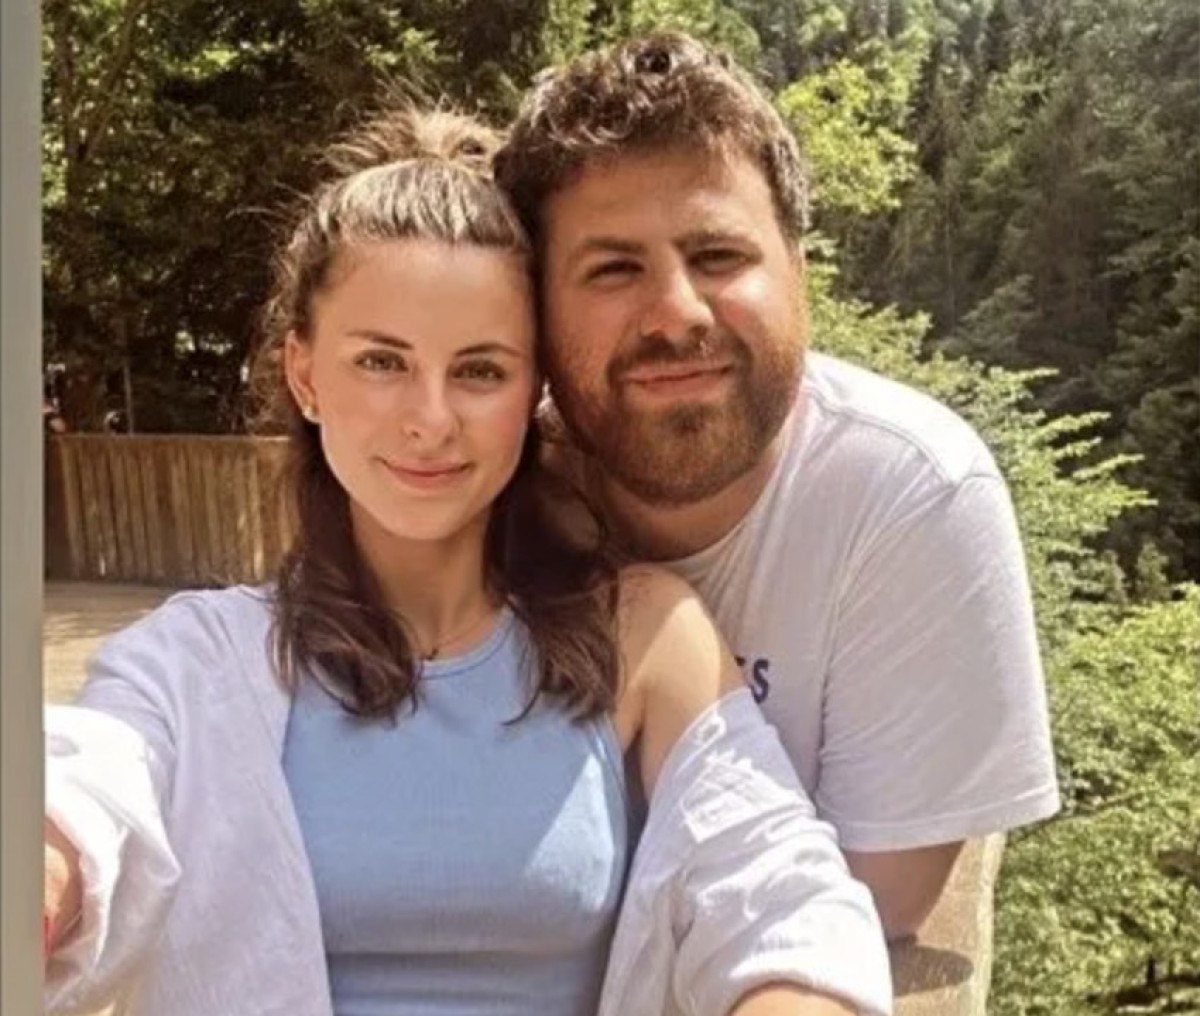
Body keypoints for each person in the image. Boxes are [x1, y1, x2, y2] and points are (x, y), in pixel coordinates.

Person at [42, 106, 892, 1016]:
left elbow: (774, 886)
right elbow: (86, 793)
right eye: (382, 362)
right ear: (305, 374)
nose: (431, 420)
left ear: (534, 391)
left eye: (481, 370)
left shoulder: (639, 638)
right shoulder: (192, 665)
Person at [494, 31, 1061, 940]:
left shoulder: (910, 494)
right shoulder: (477, 484)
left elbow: (876, 904)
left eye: (719, 257)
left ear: (798, 270)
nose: (676, 312)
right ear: (535, 305)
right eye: (612, 269)